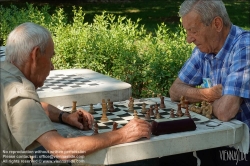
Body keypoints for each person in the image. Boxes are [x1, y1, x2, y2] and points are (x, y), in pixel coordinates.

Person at [0, 22, 151, 166]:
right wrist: (123, 134)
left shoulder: (5, 75)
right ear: (36, 55)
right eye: (50, 57)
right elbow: (61, 150)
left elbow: (35, 108)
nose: (52, 67)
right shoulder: (19, 92)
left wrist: (64, 116)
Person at [166, 0, 250, 166]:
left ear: (217, 24)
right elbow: (175, 91)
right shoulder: (203, 50)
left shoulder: (244, 47)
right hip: (217, 139)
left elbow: (225, 111)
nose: (189, 39)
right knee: (170, 157)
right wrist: (206, 94)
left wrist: (197, 100)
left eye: (194, 31)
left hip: (242, 146)